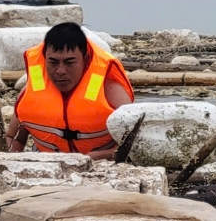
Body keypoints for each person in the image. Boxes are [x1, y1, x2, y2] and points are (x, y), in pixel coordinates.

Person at [7, 23, 134, 157]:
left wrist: (93, 158)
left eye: (69, 62)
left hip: (98, 165)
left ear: (85, 60)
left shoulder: (110, 91)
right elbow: (14, 138)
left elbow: (133, 146)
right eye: (53, 62)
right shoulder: (30, 92)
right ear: (45, 60)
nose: (60, 71)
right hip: (47, 164)